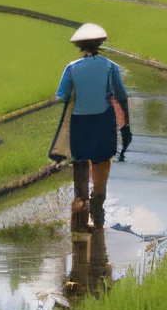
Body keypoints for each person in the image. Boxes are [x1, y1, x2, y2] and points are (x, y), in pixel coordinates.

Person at [54, 22, 130, 236]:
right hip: (103, 120)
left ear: (80, 46)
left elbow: (62, 95)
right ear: (100, 44)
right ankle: (98, 212)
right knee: (102, 160)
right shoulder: (109, 67)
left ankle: (80, 206)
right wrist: (126, 123)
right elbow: (121, 94)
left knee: (80, 160)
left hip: (80, 120)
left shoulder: (72, 67)